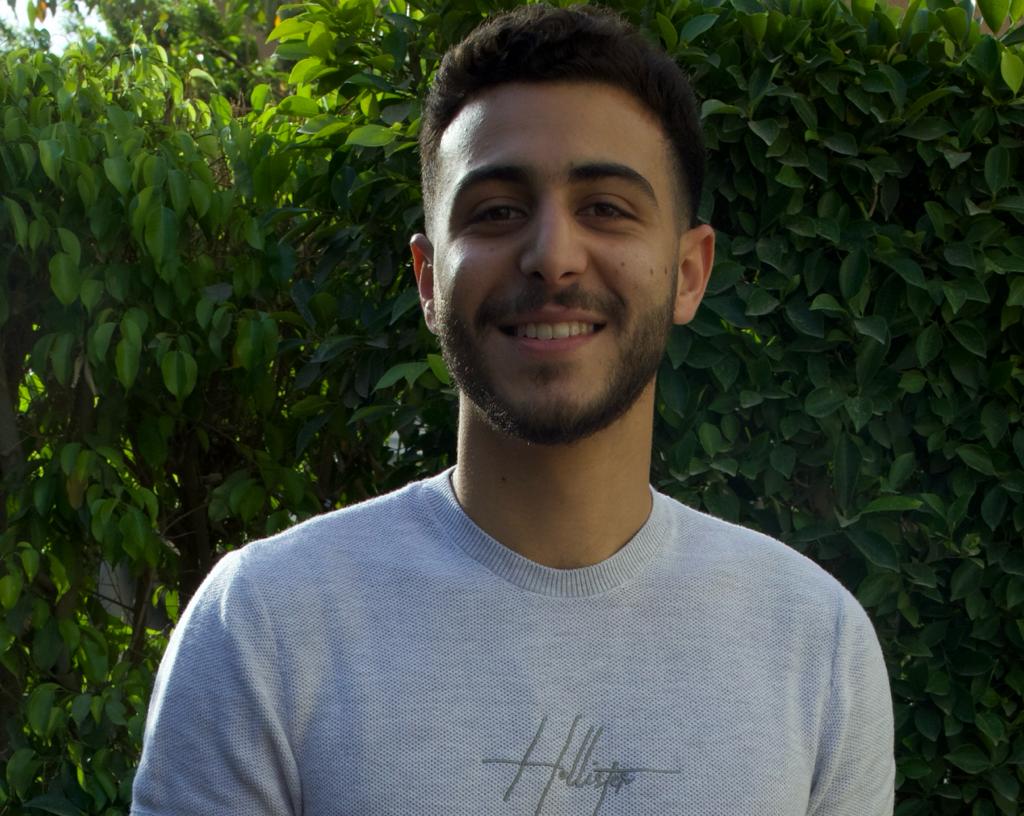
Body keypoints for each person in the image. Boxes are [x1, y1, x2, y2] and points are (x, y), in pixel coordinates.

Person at [131, 5, 895, 815]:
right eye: (496, 211)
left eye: (606, 208)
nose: (552, 257)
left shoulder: (815, 646)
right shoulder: (264, 627)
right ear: (428, 278)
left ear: (688, 273)